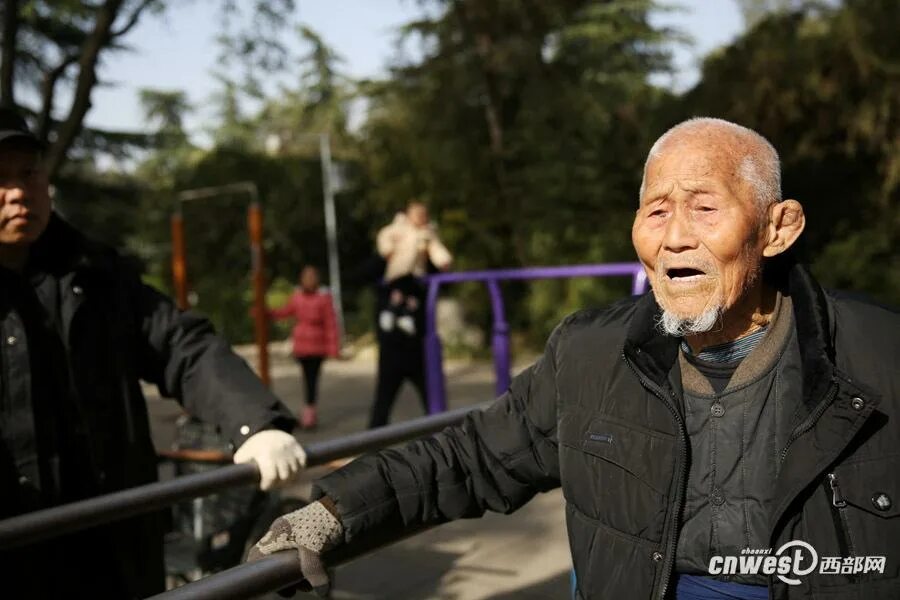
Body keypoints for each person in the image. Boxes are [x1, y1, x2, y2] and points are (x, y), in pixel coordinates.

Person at [250, 117, 900, 599]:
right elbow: (471, 457)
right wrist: (328, 514)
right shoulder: (592, 355)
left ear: (778, 227)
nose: (675, 237)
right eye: (655, 211)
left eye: (705, 208)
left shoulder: (880, 361)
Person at [0, 108, 307, 599]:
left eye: (27, 173)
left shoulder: (94, 275)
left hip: (114, 552)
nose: (16, 191)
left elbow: (181, 344)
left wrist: (255, 422)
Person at [369, 201, 452, 428]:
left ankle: (444, 441)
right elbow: (374, 271)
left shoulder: (423, 269)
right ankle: (370, 447)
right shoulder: (389, 261)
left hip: (418, 349)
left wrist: (429, 256)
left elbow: (441, 274)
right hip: (392, 350)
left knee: (433, 402)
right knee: (382, 404)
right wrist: (392, 252)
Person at [268, 265, 340, 429]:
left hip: (317, 346)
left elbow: (331, 323)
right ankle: (307, 409)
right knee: (306, 378)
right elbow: (285, 311)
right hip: (302, 345)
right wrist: (268, 313)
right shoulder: (298, 296)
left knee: (312, 379)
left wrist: (333, 347)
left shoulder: (323, 297)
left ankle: (309, 411)